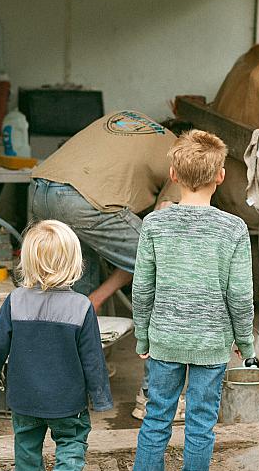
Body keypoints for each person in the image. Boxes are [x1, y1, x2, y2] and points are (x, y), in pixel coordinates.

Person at [128, 130, 255, 471]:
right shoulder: (232, 229)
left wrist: (143, 335)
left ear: (173, 174)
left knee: (156, 417)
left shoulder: (154, 225)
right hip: (211, 342)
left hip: (164, 339)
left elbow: (142, 288)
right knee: (201, 422)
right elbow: (240, 296)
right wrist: (245, 342)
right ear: (220, 176)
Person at [31, 110, 183, 420]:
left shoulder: (124, 120)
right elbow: (157, 242)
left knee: (70, 285)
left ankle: (68, 390)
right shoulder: (181, 155)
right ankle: (155, 397)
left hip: (40, 188)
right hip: (87, 202)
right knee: (172, 271)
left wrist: (97, 296)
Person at [0, 220, 112, 471]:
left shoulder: (15, 301)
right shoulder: (81, 307)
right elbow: (93, 359)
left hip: (23, 396)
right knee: (72, 441)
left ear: (27, 262)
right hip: (67, 400)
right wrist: (100, 398)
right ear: (74, 263)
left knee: (26, 443)